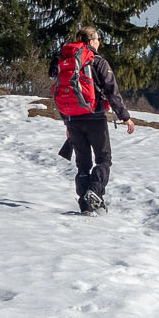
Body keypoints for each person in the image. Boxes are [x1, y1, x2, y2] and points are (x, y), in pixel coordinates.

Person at [50, 25, 134, 211]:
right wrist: (125, 117)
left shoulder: (66, 61)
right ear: (90, 41)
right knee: (104, 159)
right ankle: (95, 192)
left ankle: (86, 203)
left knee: (83, 165)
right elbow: (112, 92)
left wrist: (66, 120)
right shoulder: (97, 61)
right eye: (97, 38)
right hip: (94, 116)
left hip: (73, 118)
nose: (99, 42)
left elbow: (60, 91)